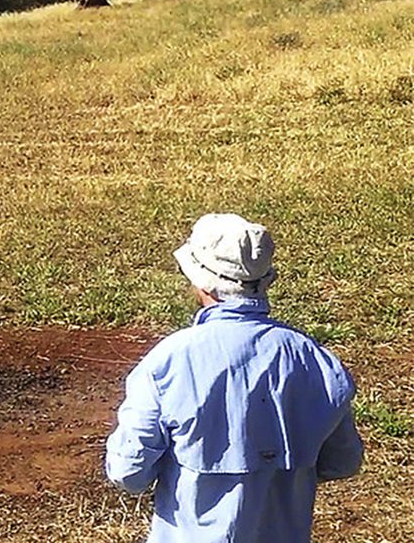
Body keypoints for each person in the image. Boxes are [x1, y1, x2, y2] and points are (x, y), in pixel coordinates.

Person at [106, 213, 364, 542]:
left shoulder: (168, 362)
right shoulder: (314, 360)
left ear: (200, 280)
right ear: (265, 278)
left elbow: (129, 472)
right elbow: (343, 462)